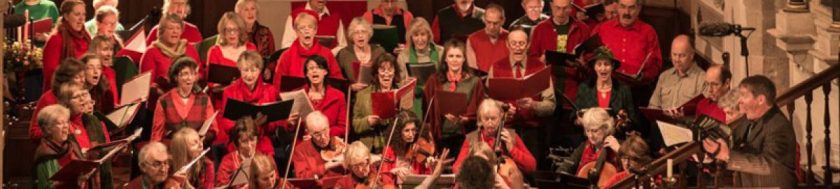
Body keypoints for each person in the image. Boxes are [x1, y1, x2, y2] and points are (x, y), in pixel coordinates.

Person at [702, 75, 797, 188]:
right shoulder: (747, 119)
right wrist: (712, 149)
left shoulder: (778, 126)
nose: (740, 100)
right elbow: (733, 144)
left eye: (744, 96)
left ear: (761, 99)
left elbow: (768, 165)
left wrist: (727, 156)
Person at [488, 29, 555, 168]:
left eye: (521, 43)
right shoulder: (496, 68)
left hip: (533, 133)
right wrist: (503, 108)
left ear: (528, 45)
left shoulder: (540, 68)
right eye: (514, 43)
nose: (518, 47)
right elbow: (487, 103)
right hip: (506, 130)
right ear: (507, 45)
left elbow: (551, 105)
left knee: (532, 173)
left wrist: (533, 105)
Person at [591, 0, 662, 107]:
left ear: (639, 9)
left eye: (631, 8)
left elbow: (656, 64)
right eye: (623, 7)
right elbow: (590, 56)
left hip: (637, 93)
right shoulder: (603, 29)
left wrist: (643, 76)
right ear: (617, 7)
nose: (626, 12)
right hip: (607, 90)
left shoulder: (648, 32)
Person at [423, 39, 485, 158]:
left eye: (458, 56)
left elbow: (480, 110)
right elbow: (427, 110)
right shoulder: (434, 81)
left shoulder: (474, 82)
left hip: (465, 136)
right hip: (440, 137)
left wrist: (466, 118)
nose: (454, 60)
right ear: (445, 59)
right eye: (451, 56)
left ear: (464, 59)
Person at [216, 51, 278, 157]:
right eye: (245, 70)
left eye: (253, 70)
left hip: (260, 139)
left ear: (259, 71)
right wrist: (251, 126)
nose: (249, 75)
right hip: (239, 140)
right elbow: (227, 124)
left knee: (266, 163)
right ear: (239, 70)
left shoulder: (270, 90)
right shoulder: (230, 91)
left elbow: (274, 125)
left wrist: (266, 122)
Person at [529, 0, 591, 102]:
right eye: (557, 8)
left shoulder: (583, 29)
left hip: (574, 90)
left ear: (571, 7)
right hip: (547, 90)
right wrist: (540, 62)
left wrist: (583, 64)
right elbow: (531, 61)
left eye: (565, 8)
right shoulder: (540, 29)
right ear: (551, 6)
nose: (561, 13)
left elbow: (590, 59)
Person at [453, 99, 537, 174]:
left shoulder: (511, 136)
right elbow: (457, 168)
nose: (490, 122)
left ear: (500, 118)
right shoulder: (472, 138)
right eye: (486, 119)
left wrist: (512, 149)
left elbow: (532, 166)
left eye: (493, 118)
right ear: (480, 120)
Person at [57, 82, 114, 188]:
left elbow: (105, 156)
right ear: (66, 103)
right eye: (76, 97)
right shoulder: (61, 126)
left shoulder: (93, 121)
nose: (82, 100)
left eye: (82, 95)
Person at [574, 46, 640, 137]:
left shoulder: (623, 89)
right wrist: (580, 121)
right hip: (590, 138)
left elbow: (633, 120)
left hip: (616, 139)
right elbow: (574, 117)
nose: (603, 68)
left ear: (612, 66)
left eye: (606, 64)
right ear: (594, 67)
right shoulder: (584, 88)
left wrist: (625, 121)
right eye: (599, 64)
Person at [140, 13, 201, 110]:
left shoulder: (188, 48)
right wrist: (166, 93)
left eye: (178, 28)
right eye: (171, 28)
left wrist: (192, 80)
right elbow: (146, 85)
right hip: (160, 106)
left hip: (188, 104)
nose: (175, 31)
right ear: (162, 31)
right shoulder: (151, 52)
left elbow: (199, 72)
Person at [151, 57, 218, 142]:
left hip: (196, 149)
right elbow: (157, 135)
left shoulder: (204, 99)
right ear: (176, 77)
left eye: (193, 74)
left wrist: (203, 139)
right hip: (173, 150)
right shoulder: (164, 101)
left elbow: (213, 129)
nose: (189, 78)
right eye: (185, 74)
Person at [273, 12, 344, 91]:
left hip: (323, 99)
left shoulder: (327, 54)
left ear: (315, 31)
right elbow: (277, 85)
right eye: (302, 28)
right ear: (296, 32)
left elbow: (338, 82)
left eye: (310, 27)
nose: (307, 31)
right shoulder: (287, 56)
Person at [352, 54, 405, 152]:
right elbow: (355, 124)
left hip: (395, 147)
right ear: (377, 72)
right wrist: (368, 122)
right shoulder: (362, 95)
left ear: (394, 72)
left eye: (390, 70)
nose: (386, 74)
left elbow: (409, 121)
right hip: (370, 148)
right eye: (382, 70)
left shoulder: (401, 93)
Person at [205, 11, 258, 109]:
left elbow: (258, 77)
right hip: (222, 102)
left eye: (235, 30)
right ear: (223, 32)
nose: (232, 33)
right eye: (228, 30)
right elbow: (211, 84)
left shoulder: (251, 48)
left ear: (240, 31)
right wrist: (231, 88)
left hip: (248, 100)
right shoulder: (215, 51)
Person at [286, 55, 348, 138]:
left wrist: (321, 134)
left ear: (325, 72)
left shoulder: (339, 96)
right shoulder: (298, 95)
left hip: (329, 141)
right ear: (307, 74)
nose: (314, 70)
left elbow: (344, 128)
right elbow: (290, 129)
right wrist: (291, 124)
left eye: (319, 67)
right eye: (311, 68)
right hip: (304, 143)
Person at [649, 35, 705, 117]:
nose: (677, 60)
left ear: (692, 55)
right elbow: (653, 105)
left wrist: (684, 116)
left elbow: (704, 113)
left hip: (687, 127)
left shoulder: (702, 78)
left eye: (682, 55)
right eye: (674, 54)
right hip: (664, 126)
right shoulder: (665, 76)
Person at [30, 58, 85, 140]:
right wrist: (55, 132)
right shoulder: (48, 98)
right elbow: (34, 132)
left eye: (83, 76)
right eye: (78, 77)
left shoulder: (83, 95)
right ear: (66, 79)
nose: (83, 80)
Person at [42, 0, 90, 93]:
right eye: (77, 14)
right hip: (63, 93)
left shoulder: (86, 37)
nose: (81, 18)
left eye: (83, 14)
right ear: (66, 16)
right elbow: (51, 74)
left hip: (84, 89)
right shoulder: (56, 39)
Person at [557, 108, 622, 175]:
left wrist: (620, 152)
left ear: (605, 128)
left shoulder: (619, 145)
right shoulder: (584, 146)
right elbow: (566, 167)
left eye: (595, 131)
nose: (590, 136)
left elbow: (631, 171)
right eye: (587, 130)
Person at [33, 104, 83, 189]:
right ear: (48, 129)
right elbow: (48, 186)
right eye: (60, 123)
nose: (66, 126)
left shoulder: (72, 146)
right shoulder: (45, 154)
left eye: (66, 122)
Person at [380, 111, 435, 184]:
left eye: (413, 130)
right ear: (398, 131)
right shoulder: (389, 149)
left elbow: (426, 179)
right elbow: (385, 177)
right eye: (407, 131)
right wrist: (394, 171)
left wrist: (430, 166)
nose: (411, 134)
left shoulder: (419, 147)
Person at [336, 17, 388, 92]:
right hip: (353, 98)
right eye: (356, 32)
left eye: (363, 32)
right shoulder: (344, 54)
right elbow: (337, 82)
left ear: (369, 34)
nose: (360, 35)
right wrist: (350, 87)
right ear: (352, 35)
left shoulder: (379, 52)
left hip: (376, 94)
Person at [291, 111, 346, 181]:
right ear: (309, 133)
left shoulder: (338, 143)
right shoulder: (300, 150)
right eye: (317, 134)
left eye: (325, 130)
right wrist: (326, 166)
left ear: (329, 127)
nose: (323, 137)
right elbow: (302, 178)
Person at [281, 0, 347, 50]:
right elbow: (287, 45)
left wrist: (329, 55)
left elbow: (343, 46)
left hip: (328, 64)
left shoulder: (335, 17)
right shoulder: (295, 16)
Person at [216, 117, 259, 187]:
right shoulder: (228, 161)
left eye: (252, 140)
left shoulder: (264, 157)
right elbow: (221, 186)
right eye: (244, 141)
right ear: (236, 143)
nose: (249, 146)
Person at [465, 4, 509, 72]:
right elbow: (473, 70)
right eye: (488, 22)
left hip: (504, 80)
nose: (491, 27)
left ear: (503, 21)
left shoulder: (511, 38)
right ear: (484, 19)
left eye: (495, 23)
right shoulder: (472, 39)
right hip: (482, 80)